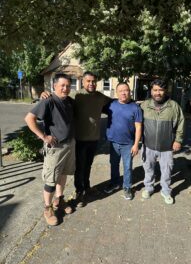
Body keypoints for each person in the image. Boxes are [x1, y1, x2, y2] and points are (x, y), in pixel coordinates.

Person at [41, 71, 111, 207]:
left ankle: (87, 187)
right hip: (78, 138)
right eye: (88, 81)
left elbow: (115, 102)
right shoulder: (75, 95)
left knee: (88, 165)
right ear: (83, 82)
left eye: (93, 81)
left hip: (94, 138)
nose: (91, 84)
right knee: (79, 167)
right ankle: (79, 191)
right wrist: (45, 93)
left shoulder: (100, 97)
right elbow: (59, 96)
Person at [25, 73, 75, 226]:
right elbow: (29, 119)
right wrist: (43, 136)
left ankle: (59, 200)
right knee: (51, 179)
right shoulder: (48, 101)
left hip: (69, 145)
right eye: (62, 85)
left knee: (63, 174)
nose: (65, 88)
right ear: (54, 86)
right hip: (55, 147)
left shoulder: (69, 101)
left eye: (68, 86)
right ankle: (47, 208)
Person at [140, 78, 185, 205]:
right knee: (148, 168)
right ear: (151, 91)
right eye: (155, 90)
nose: (157, 93)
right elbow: (137, 123)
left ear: (165, 90)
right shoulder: (145, 105)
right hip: (148, 145)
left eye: (160, 90)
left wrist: (178, 140)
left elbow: (181, 123)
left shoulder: (173, 106)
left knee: (167, 170)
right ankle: (149, 188)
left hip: (167, 146)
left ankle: (166, 191)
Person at [103, 82, 142, 200]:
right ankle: (115, 183)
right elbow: (94, 108)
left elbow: (138, 127)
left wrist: (136, 145)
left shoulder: (135, 108)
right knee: (114, 165)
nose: (123, 93)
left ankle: (127, 187)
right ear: (117, 92)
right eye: (121, 91)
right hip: (113, 142)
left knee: (127, 167)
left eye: (126, 90)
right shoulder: (111, 104)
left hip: (128, 144)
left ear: (129, 91)